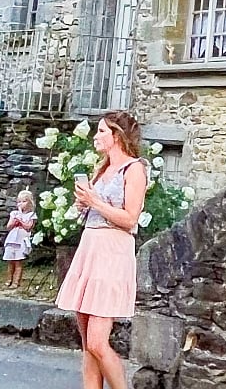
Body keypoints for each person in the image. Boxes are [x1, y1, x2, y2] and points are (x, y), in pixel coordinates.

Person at [56, 112, 149, 389]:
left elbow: (130, 219)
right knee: (87, 342)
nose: (95, 137)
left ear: (117, 136)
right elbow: (91, 212)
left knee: (98, 340)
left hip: (112, 252)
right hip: (90, 248)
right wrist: (82, 205)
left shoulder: (134, 169)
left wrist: (95, 201)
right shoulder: (101, 168)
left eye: (101, 132)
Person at [2, 188, 37, 290]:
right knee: (10, 262)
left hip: (21, 241)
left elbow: (28, 227)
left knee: (18, 262)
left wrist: (21, 220)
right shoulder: (14, 214)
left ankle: (16, 282)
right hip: (12, 240)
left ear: (29, 202)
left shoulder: (31, 215)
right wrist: (14, 220)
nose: (21, 204)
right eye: (19, 202)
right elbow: (9, 226)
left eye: (24, 201)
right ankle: (9, 279)